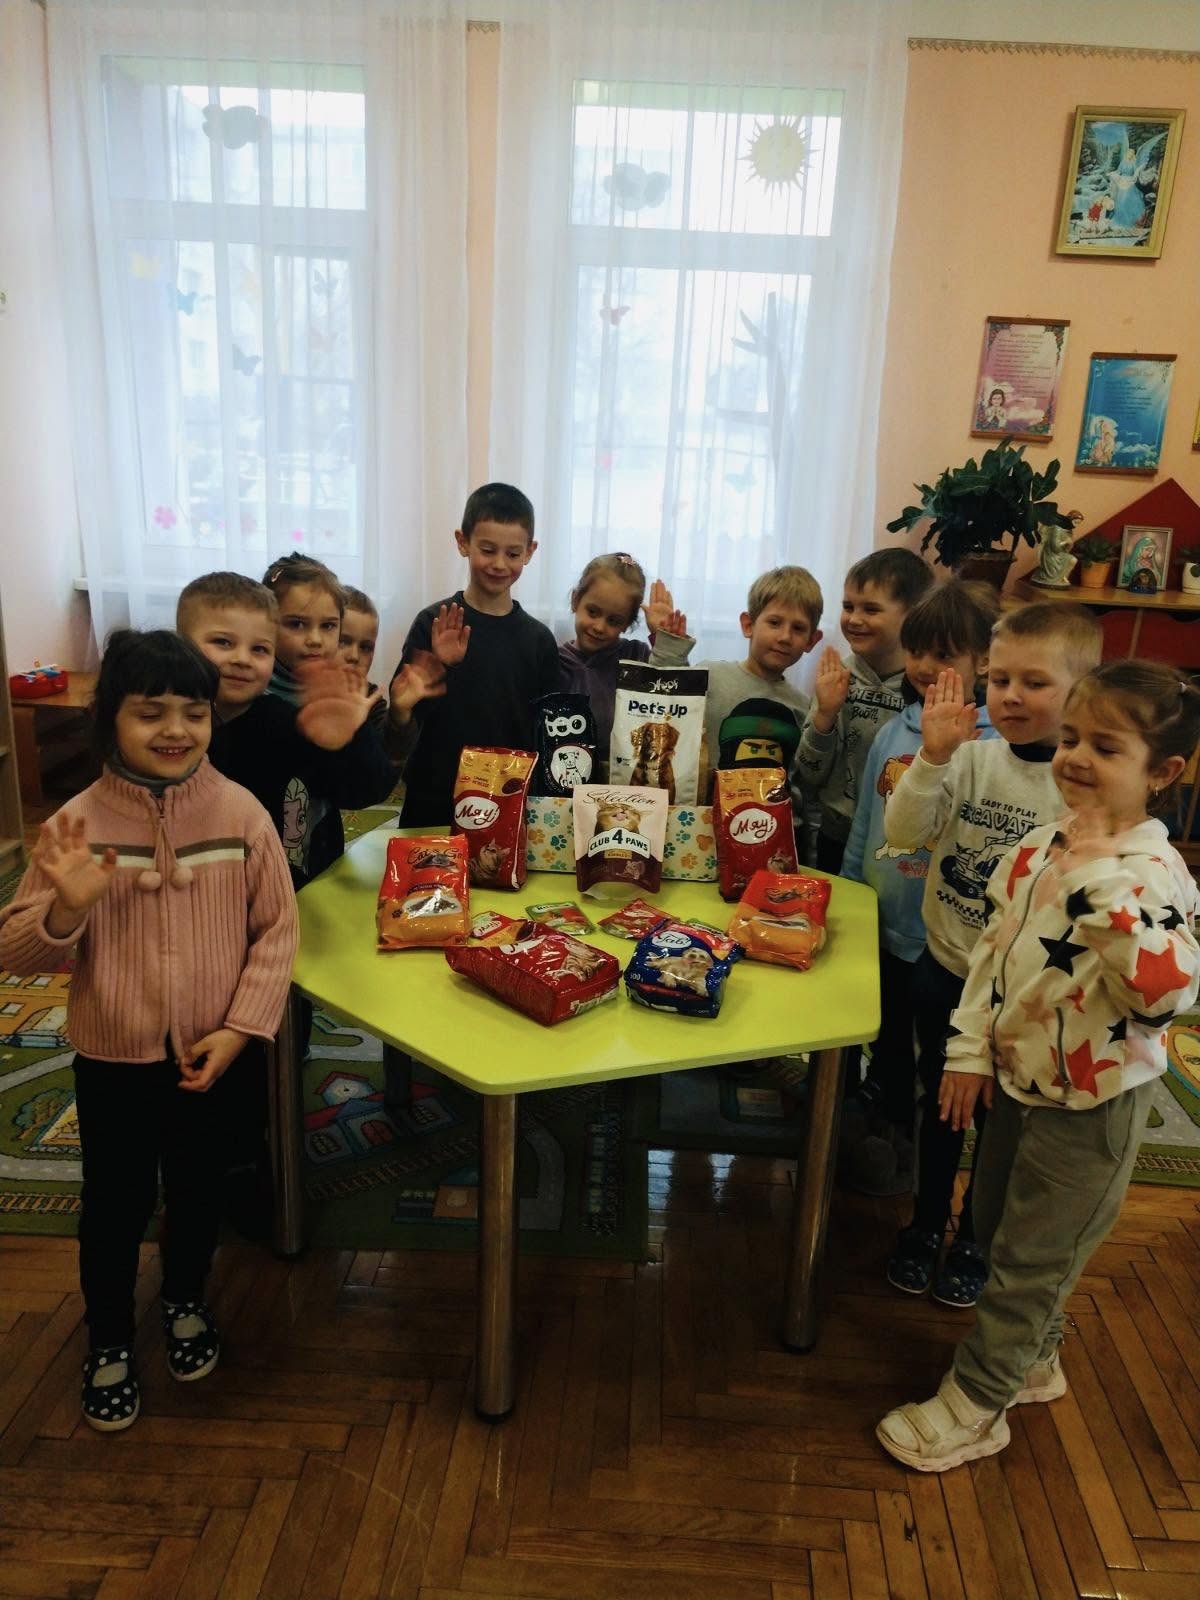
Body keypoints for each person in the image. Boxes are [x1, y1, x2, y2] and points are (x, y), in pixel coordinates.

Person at [877, 661, 1200, 1471]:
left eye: (1108, 747)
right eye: (1074, 738)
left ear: (1163, 772)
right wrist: (967, 1052)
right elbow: (992, 954)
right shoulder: (1038, 844)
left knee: (1032, 1263)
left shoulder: (1153, 871)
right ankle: (1034, 1362)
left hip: (1091, 1107)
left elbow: (1166, 992)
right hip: (1019, 1084)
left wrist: (1096, 883)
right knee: (994, 1230)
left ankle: (977, 1404)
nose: (1078, 757)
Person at [0, 631, 298, 1432]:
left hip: (211, 1053)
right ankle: (106, 1335)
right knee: (114, 1204)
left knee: (198, 1191)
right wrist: (67, 910)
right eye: (150, 712)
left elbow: (277, 931)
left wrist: (241, 1029)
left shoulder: (240, 813)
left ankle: (185, 1299)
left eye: (193, 712)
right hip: (113, 1059)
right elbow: (15, 951)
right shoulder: (75, 826)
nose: (175, 729)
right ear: (110, 720)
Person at [881, 601, 1103, 1307]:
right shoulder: (970, 759)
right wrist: (932, 758)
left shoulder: (1083, 789)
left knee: (1002, 1123)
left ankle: (975, 1235)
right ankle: (925, 1223)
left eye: (1035, 683)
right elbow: (904, 833)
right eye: (1000, 679)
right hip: (947, 971)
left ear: (1080, 692)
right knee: (939, 1104)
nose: (1010, 696)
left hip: (1027, 995)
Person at [840, 580, 1000, 1196]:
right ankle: (887, 1131)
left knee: (938, 1053)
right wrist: (850, 892)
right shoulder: (892, 731)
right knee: (885, 1037)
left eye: (945, 655)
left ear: (981, 661)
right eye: (917, 652)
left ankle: (924, 1154)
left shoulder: (993, 744)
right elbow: (866, 821)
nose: (927, 667)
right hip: (882, 919)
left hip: (947, 941)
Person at [387, 483, 560, 827]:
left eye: (513, 554)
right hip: (433, 797)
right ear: (463, 542)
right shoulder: (433, 623)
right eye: (487, 550)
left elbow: (546, 733)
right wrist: (441, 666)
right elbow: (404, 720)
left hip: (508, 801)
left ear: (530, 551)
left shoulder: (539, 640)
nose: (499, 564)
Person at [794, 548, 934, 873]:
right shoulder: (836, 677)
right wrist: (825, 716)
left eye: (870, 609)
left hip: (899, 839)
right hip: (834, 834)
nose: (854, 619)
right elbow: (807, 774)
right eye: (848, 606)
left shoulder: (926, 685)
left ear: (914, 615)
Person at [647, 566, 823, 821]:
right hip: (700, 824)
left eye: (798, 628)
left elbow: (805, 781)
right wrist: (668, 644)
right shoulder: (711, 675)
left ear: (811, 640)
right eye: (774, 623)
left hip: (771, 831)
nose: (785, 637)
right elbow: (662, 700)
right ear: (748, 625)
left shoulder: (804, 706)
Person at [558, 554, 682, 768]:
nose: (599, 627)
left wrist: (665, 642)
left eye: (614, 621)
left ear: (628, 624)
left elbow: (674, 698)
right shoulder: (555, 660)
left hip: (625, 779)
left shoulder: (636, 656)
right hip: (565, 775)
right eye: (592, 612)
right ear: (575, 600)